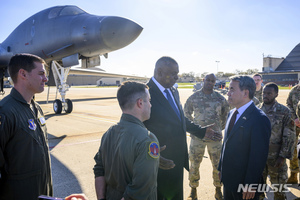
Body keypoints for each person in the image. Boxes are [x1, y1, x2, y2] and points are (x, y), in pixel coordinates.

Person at [143, 56, 221, 200]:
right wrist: (151, 154)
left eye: (177, 73)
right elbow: (139, 127)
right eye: (173, 74)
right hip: (160, 160)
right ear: (159, 72)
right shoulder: (145, 92)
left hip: (177, 158)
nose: (176, 77)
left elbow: (179, 119)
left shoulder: (173, 90)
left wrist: (202, 131)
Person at [93, 81, 160, 200]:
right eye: (148, 100)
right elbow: (140, 190)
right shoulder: (147, 140)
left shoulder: (108, 133)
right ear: (140, 103)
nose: (150, 105)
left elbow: (99, 170)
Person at [218, 75, 271, 200]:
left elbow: (258, 156)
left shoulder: (259, 119)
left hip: (244, 186)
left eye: (232, 89)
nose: (228, 93)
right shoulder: (232, 113)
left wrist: (251, 184)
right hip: (228, 180)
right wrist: (221, 168)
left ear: (245, 93)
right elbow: (226, 143)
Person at [184, 73, 230, 200]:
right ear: (203, 80)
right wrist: (195, 129)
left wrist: (218, 129)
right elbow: (186, 114)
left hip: (215, 138)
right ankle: (193, 190)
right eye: (208, 80)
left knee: (217, 165)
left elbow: (226, 114)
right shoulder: (194, 97)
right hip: (197, 138)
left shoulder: (220, 98)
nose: (210, 82)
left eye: (212, 81)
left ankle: (218, 189)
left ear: (215, 82)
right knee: (194, 164)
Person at [258, 82, 295, 200]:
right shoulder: (256, 110)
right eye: (264, 92)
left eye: (269, 93)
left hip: (276, 157)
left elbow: (289, 135)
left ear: (276, 94)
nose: (265, 95)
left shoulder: (284, 111)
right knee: (258, 190)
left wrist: (283, 156)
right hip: (258, 157)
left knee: (278, 189)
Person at [286, 83, 300, 184]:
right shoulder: (294, 90)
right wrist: (295, 118)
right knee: (293, 148)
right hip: (296, 123)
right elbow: (288, 104)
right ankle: (294, 175)